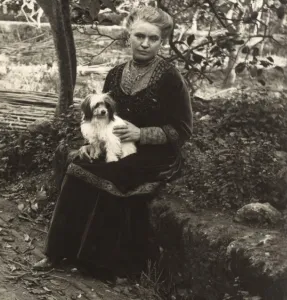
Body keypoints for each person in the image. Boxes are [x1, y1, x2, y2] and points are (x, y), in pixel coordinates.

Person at [33, 6, 193, 277]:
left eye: (153, 39)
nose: (145, 43)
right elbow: (103, 118)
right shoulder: (116, 74)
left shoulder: (170, 77)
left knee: (111, 173)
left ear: (161, 41)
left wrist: (142, 134)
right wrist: (93, 143)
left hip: (155, 154)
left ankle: (99, 263)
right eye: (139, 36)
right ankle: (57, 251)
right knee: (77, 165)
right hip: (114, 146)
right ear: (127, 36)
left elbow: (183, 129)